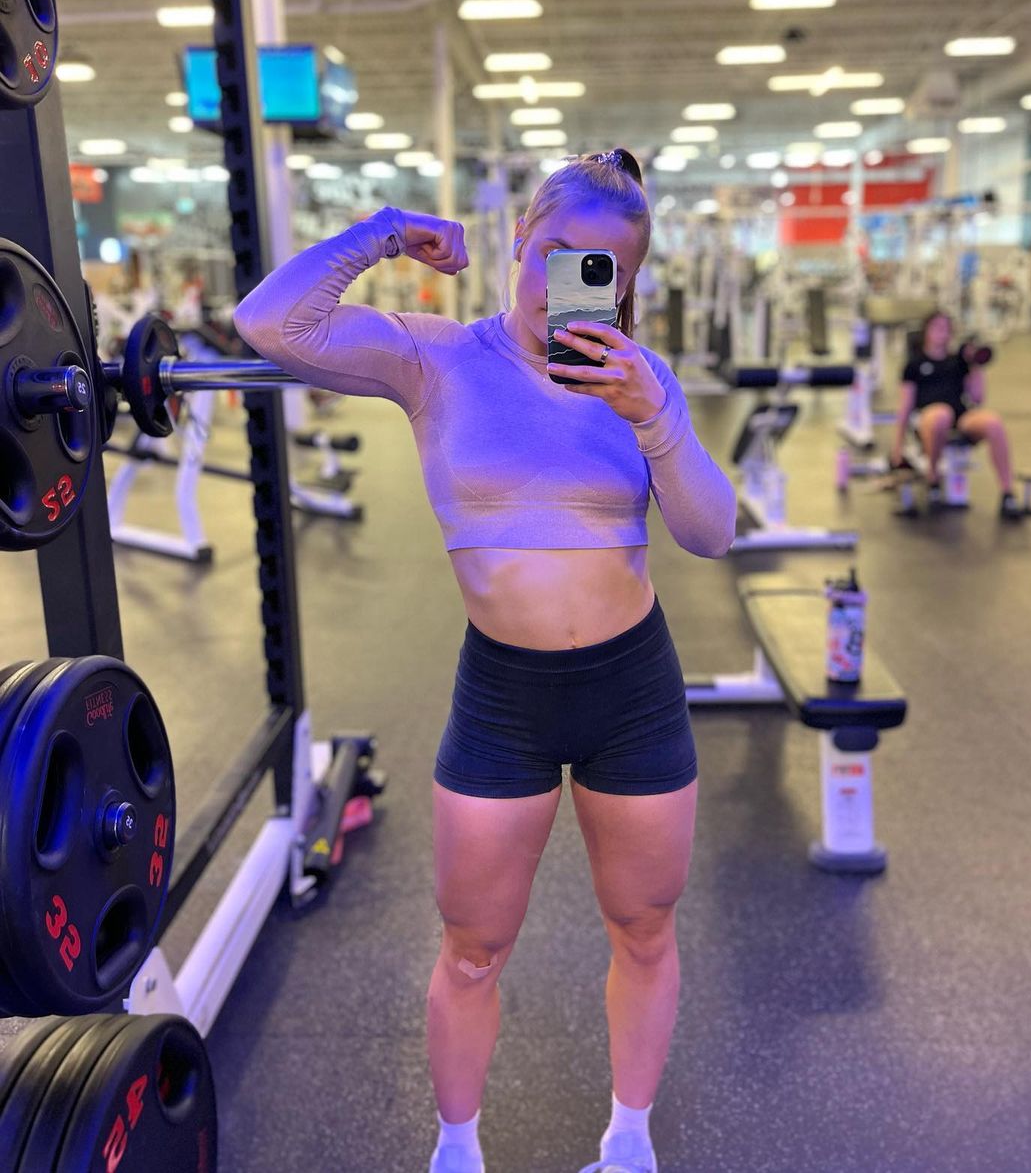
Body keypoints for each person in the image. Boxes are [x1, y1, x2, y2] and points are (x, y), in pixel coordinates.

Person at [233, 148, 737, 1173]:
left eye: (602, 269)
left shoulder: (641, 383)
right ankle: (456, 1150)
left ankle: (629, 1142)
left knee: (644, 928)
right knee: (471, 948)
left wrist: (655, 418)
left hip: (632, 691)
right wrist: (382, 233)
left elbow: (712, 534)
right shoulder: (437, 359)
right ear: (520, 237)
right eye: (555, 251)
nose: (570, 281)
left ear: (627, 283)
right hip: (503, 695)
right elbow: (269, 324)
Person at [889, 309, 1024, 520]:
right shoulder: (914, 364)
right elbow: (905, 406)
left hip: (960, 416)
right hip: (928, 417)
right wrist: (897, 445)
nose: (942, 332)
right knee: (942, 415)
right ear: (926, 331)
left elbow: (977, 398)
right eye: (937, 327)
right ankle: (933, 478)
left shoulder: (958, 361)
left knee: (994, 422)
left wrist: (975, 367)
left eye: (946, 328)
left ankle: (1008, 493)